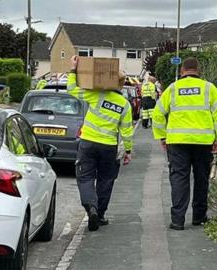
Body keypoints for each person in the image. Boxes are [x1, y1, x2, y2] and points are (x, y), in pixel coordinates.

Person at [152, 57, 217, 230]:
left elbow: (157, 114)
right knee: (201, 179)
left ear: (182, 71)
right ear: (198, 71)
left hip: (177, 143)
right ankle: (199, 217)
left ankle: (177, 220)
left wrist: (162, 137)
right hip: (202, 143)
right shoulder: (209, 89)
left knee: (179, 178)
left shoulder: (172, 89)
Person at [67, 55, 134, 232]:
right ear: (121, 85)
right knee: (106, 180)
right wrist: (128, 150)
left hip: (88, 143)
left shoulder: (96, 94)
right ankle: (101, 214)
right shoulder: (125, 105)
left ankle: (91, 208)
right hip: (109, 147)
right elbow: (127, 131)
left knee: (85, 177)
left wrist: (73, 69)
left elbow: (72, 89)